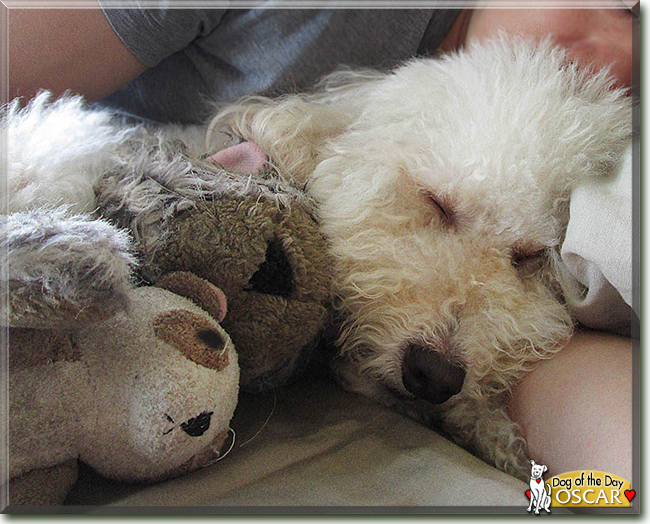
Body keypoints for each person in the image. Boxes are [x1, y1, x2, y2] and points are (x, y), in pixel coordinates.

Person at [7, 1, 637, 484]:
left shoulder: (592, 182)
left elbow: (613, 468)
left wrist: (578, 493)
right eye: (623, 3)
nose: (621, 57)